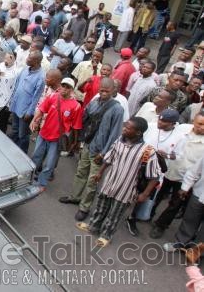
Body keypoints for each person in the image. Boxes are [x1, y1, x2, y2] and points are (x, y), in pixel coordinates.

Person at [76, 117, 160, 247]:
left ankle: (106, 236)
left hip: (126, 190)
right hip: (110, 183)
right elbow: (109, 159)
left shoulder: (148, 151)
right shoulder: (119, 141)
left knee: (114, 215)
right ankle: (93, 226)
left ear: (138, 133)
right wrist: (100, 172)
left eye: (128, 128)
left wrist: (144, 194)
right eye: (125, 126)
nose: (124, 129)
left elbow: (154, 177)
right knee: (101, 207)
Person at [59, 77, 125, 221]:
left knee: (92, 180)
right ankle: (75, 197)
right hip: (88, 145)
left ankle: (85, 207)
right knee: (81, 172)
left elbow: (115, 134)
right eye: (101, 90)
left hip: (100, 151)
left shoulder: (117, 109)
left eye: (107, 91)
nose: (103, 93)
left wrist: (104, 153)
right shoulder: (94, 102)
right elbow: (83, 119)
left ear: (113, 91)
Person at [147, 111, 201, 239]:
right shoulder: (183, 130)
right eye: (200, 124)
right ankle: (148, 213)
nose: (202, 127)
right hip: (169, 170)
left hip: (186, 179)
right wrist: (167, 155)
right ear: (193, 121)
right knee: (157, 195)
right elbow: (175, 151)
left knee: (175, 204)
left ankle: (161, 225)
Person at [30, 77, 82, 191]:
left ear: (72, 90)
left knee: (50, 164)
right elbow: (42, 109)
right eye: (63, 86)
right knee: (36, 157)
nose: (64, 89)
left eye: (68, 87)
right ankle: (30, 178)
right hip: (44, 134)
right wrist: (34, 120)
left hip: (57, 139)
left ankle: (42, 183)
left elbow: (76, 127)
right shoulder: (53, 96)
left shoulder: (76, 106)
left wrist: (74, 143)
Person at [163, 114, 204, 254]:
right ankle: (180, 243)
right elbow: (196, 170)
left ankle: (197, 253)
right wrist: (185, 188)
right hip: (199, 194)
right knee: (189, 220)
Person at [0, 52, 18, 134]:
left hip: (5, 103)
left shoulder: (16, 72)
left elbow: (14, 89)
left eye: (7, 58)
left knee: (2, 125)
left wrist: (9, 104)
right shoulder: (1, 65)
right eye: (5, 58)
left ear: (13, 60)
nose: (5, 60)